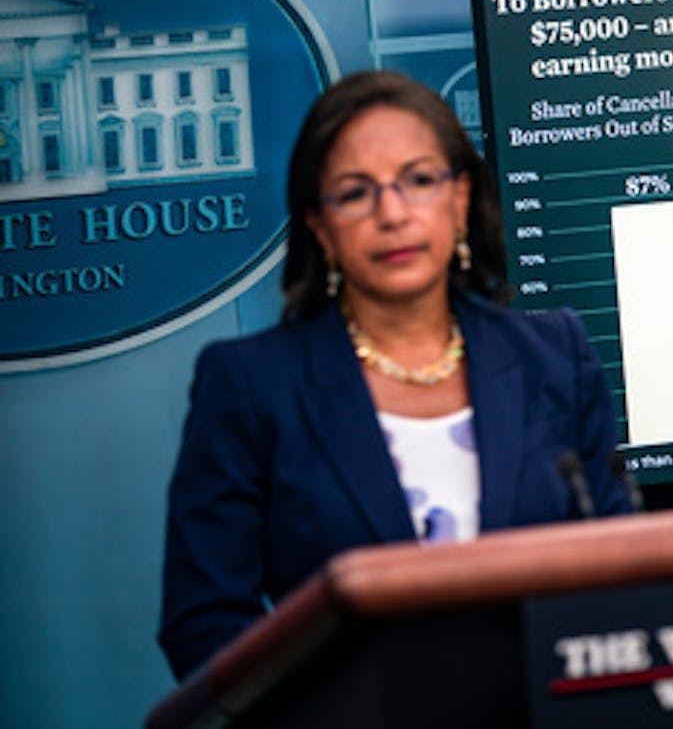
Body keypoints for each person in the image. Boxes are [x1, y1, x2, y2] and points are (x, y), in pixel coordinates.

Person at [159, 70, 632, 681]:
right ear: (320, 227)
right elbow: (204, 623)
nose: (392, 213)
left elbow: (622, 565)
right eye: (356, 192)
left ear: (460, 198)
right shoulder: (251, 387)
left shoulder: (553, 356)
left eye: (418, 180)